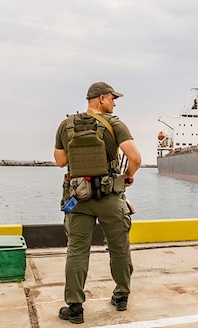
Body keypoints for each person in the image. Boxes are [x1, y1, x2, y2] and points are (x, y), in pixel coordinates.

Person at [54, 82, 141, 324]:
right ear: (101, 98)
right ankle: (121, 296)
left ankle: (75, 309)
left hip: (78, 198)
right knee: (119, 247)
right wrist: (127, 177)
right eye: (113, 98)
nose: (114, 102)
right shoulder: (114, 124)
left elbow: (60, 161)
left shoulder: (66, 124)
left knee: (77, 251)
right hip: (110, 198)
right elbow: (135, 157)